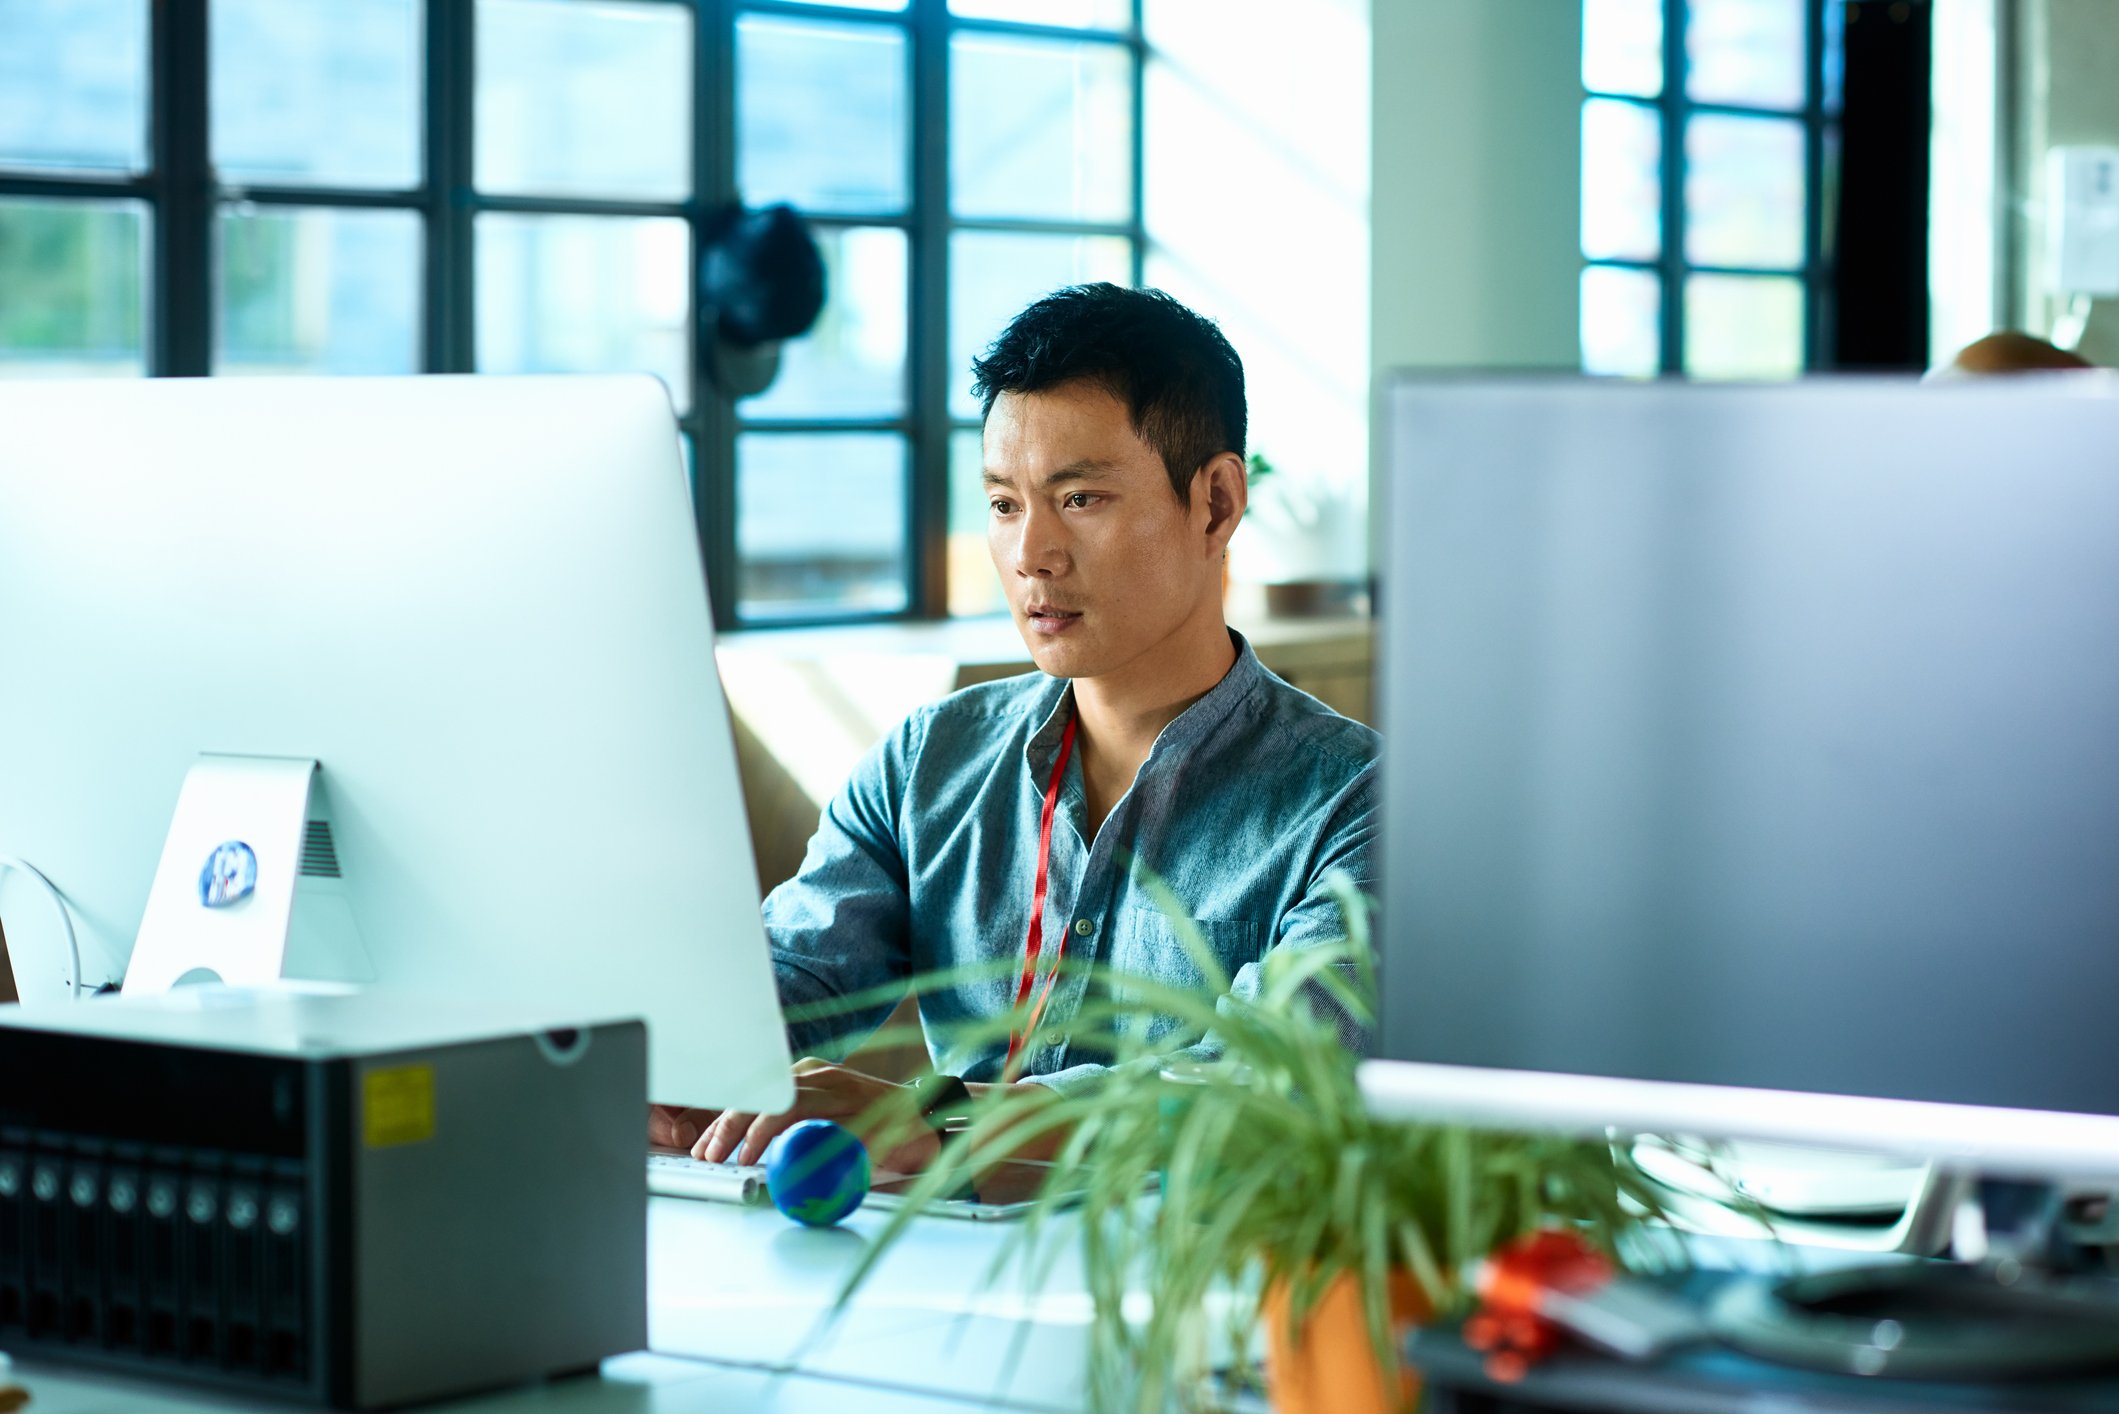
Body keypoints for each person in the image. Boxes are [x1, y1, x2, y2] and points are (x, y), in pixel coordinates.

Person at [655, 284, 1378, 1173]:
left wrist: (941, 1116)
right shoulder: (929, 762)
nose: (1032, 553)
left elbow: (1259, 1084)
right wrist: (662, 1057)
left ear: (1216, 503)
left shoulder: (1361, 807)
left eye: (1078, 500)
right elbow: (789, 978)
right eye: (1003, 504)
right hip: (928, 1281)